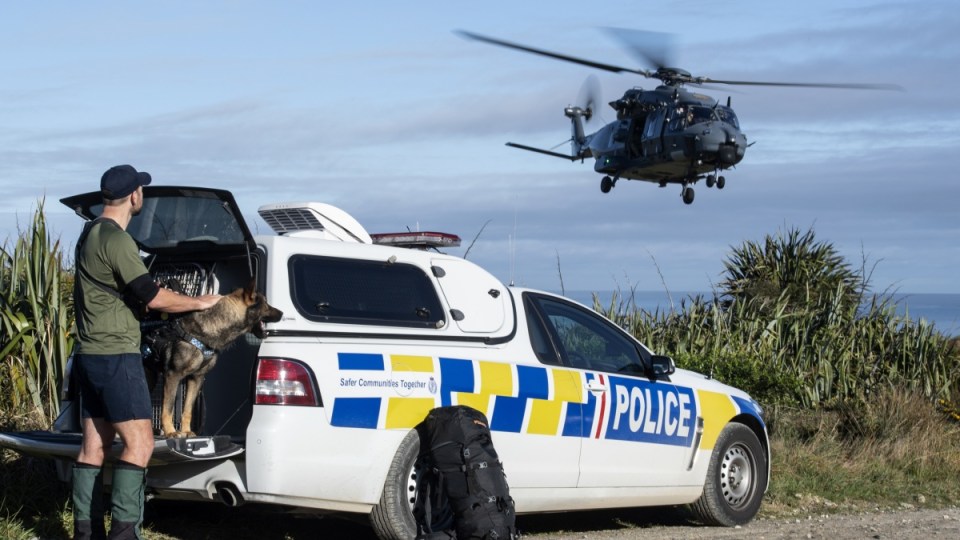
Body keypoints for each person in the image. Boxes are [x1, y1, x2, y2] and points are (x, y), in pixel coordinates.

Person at [71, 164, 222, 540]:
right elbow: (153, 297)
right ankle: (125, 535)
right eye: (143, 190)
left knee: (93, 448)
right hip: (116, 355)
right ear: (135, 196)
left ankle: (85, 534)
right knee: (138, 445)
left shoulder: (88, 233)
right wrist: (199, 302)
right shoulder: (117, 240)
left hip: (89, 355)